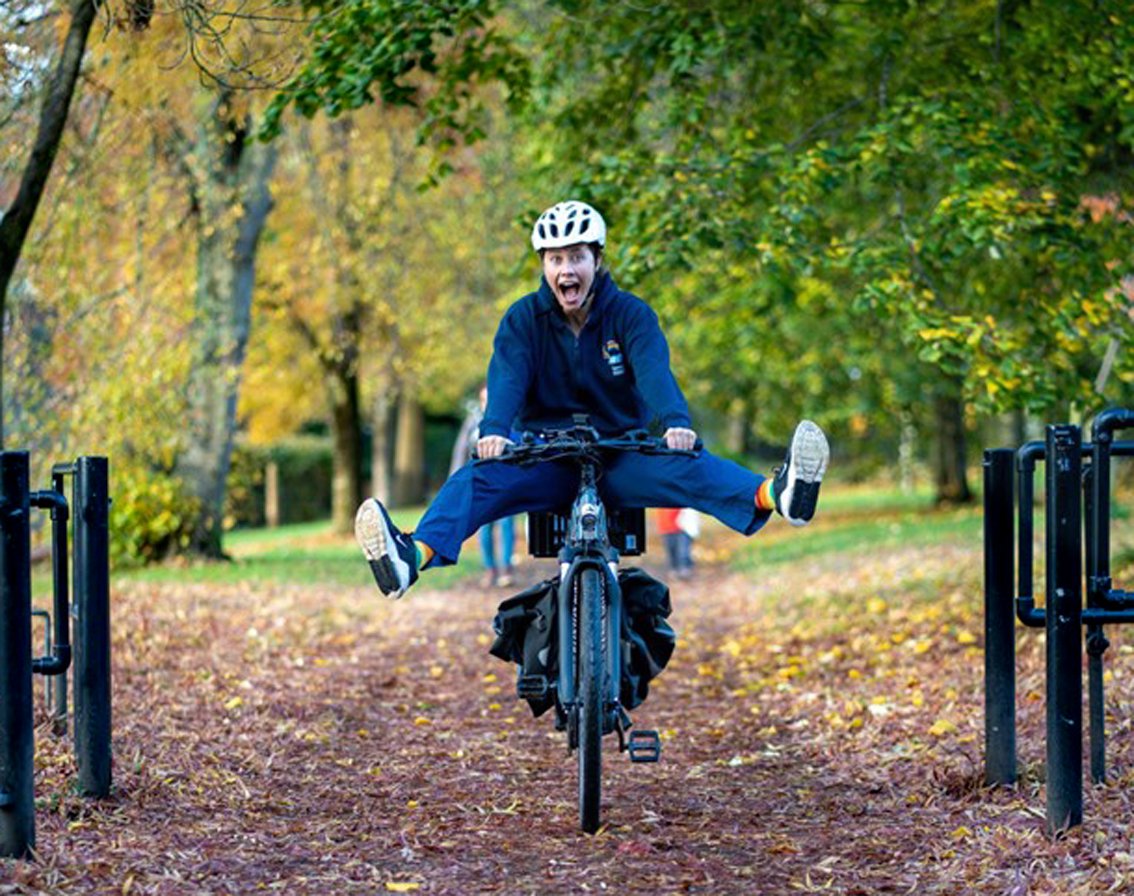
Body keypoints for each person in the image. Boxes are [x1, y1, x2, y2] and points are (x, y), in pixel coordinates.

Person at [355, 200, 829, 599]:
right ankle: (408, 559)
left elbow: (653, 373)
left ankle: (780, 494)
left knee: (690, 464)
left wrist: (674, 421)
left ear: (596, 260)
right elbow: (507, 378)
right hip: (546, 456)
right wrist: (495, 430)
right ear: (544, 264)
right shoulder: (522, 320)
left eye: (576, 257)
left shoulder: (630, 315)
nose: (566, 269)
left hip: (621, 453)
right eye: (555, 259)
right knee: (477, 481)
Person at [450, 383, 516, 587]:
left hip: (505, 482)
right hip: (481, 483)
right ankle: (490, 569)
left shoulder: (509, 420)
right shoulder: (473, 422)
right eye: (484, 399)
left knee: (506, 526)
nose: (487, 403)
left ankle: (506, 569)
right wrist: (454, 480)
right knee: (484, 529)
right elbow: (461, 450)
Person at [656, 507, 698, 579]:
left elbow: (689, 513)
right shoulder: (660, 502)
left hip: (682, 528)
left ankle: (685, 569)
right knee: (671, 550)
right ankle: (674, 570)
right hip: (666, 529)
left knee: (683, 551)